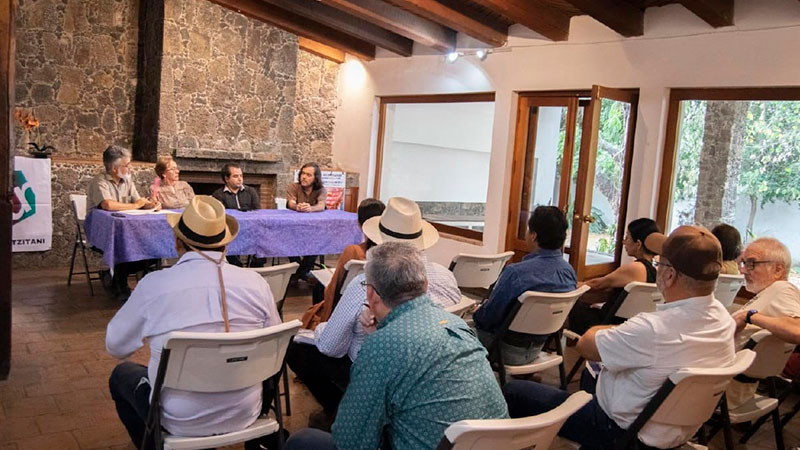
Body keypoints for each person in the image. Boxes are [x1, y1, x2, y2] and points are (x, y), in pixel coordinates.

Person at [503, 225, 735, 449]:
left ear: (670, 275)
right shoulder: (725, 322)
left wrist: (608, 331)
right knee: (590, 374)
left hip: (620, 431)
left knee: (514, 391)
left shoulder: (653, 328)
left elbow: (586, 345)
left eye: (659, 263)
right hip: (677, 429)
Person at [285, 242, 508, 450]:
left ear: (370, 294)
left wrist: (376, 342)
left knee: (303, 441)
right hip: (497, 442)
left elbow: (350, 442)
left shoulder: (382, 346)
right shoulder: (458, 324)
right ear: (425, 285)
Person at [106, 196, 281, 449]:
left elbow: (116, 346)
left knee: (121, 375)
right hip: (245, 410)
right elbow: (273, 346)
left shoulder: (154, 286)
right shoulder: (257, 284)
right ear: (226, 245)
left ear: (178, 243)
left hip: (178, 418)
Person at [285, 197, 460, 428]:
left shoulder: (366, 284)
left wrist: (319, 328)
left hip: (374, 377)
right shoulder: (446, 278)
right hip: (430, 377)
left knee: (297, 346)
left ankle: (339, 410)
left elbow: (331, 346)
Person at [473, 205, 577, 365]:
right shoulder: (568, 273)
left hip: (502, 350)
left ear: (534, 236)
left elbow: (488, 319)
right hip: (538, 349)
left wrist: (478, 312)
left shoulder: (516, 273)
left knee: (458, 330)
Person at [726, 238, 799, 406]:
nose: (743, 270)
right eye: (744, 263)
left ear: (778, 269)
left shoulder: (782, 289)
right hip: (734, 387)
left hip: (719, 387)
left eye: (752, 264)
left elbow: (798, 331)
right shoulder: (772, 292)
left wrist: (749, 316)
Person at [87, 145, 160, 301]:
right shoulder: (99, 182)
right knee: (126, 246)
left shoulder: (127, 181)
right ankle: (120, 284)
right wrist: (136, 206)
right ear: (114, 168)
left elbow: (138, 200)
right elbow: (107, 205)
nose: (130, 168)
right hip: (102, 231)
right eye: (126, 165)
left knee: (154, 249)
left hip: (127, 230)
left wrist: (150, 204)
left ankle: (117, 278)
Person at [301, 198, 385, 330]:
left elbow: (334, 288)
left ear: (359, 223)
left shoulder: (353, 251)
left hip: (347, 308)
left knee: (319, 289)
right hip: (379, 311)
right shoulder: (391, 256)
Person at [568, 218, 660, 335]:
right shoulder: (656, 270)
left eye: (627, 237)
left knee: (570, 304)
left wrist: (570, 285)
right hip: (632, 326)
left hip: (606, 324)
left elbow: (597, 284)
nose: (624, 241)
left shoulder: (635, 268)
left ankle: (554, 346)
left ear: (638, 244)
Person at [212, 163, 261, 266]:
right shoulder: (218, 194)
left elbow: (257, 212)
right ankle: (237, 268)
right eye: (235, 176)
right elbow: (221, 216)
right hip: (230, 231)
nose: (240, 179)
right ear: (226, 178)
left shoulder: (251, 191)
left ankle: (256, 267)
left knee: (263, 238)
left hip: (249, 229)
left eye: (241, 176)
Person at [287, 162, 328, 280]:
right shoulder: (293, 186)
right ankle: (302, 272)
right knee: (286, 239)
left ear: (316, 178)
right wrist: (297, 207)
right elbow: (291, 203)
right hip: (294, 227)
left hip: (313, 229)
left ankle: (298, 272)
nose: (304, 177)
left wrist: (310, 208)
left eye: (309, 175)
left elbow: (321, 205)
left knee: (317, 242)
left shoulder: (321, 190)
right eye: (303, 173)